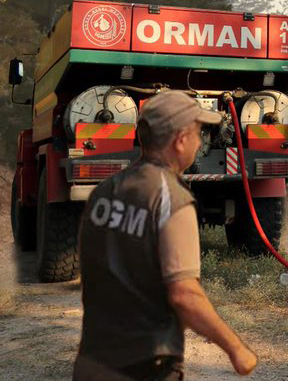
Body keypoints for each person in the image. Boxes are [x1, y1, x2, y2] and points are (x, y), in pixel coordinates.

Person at [74, 90, 257, 380]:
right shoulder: (171, 199)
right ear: (181, 139)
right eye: (198, 133)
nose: (200, 143)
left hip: (91, 363)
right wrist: (237, 349)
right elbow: (185, 295)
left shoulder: (104, 192)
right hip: (144, 366)